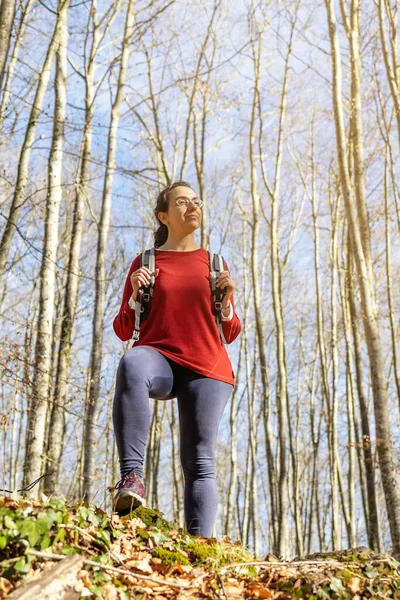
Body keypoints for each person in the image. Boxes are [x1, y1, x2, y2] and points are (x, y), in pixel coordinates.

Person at [111, 181, 241, 537]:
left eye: (196, 201)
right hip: (160, 358)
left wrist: (226, 301)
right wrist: (137, 293)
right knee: (132, 363)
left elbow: (230, 331)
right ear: (164, 215)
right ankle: (132, 479)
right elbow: (123, 329)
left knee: (199, 460)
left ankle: (200, 545)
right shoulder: (146, 262)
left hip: (208, 367)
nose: (192, 206)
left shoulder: (214, 263)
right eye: (182, 202)